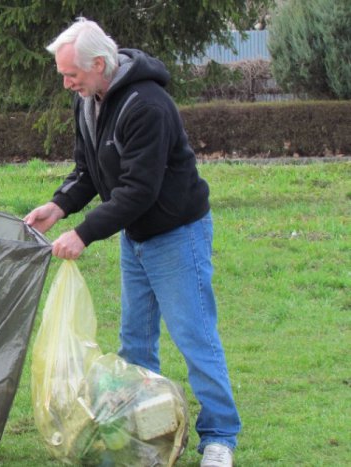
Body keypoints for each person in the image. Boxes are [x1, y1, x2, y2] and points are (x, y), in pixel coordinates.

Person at [24, 18, 240, 467]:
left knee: (194, 336)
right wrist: (58, 206)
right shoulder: (88, 100)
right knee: (135, 343)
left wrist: (83, 234)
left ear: (99, 64)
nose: (67, 84)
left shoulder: (149, 105)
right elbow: (89, 172)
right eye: (64, 75)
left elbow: (138, 190)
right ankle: (144, 430)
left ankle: (220, 438)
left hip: (178, 234)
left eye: (72, 75)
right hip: (136, 237)